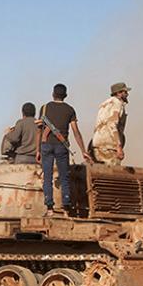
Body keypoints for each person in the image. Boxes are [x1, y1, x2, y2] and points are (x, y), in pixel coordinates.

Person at [35, 83, 92, 216]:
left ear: (53, 94)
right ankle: (66, 208)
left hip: (46, 145)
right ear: (65, 96)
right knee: (64, 178)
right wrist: (83, 150)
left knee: (47, 177)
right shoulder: (70, 110)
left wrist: (37, 150)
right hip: (62, 146)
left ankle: (49, 208)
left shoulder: (44, 108)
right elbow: (76, 132)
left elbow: (39, 130)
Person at [90, 82, 130, 166]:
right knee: (111, 174)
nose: (127, 94)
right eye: (125, 92)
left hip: (98, 144)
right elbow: (112, 124)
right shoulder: (117, 103)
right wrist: (118, 146)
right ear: (119, 93)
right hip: (109, 146)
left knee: (98, 173)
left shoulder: (104, 105)